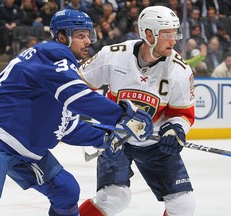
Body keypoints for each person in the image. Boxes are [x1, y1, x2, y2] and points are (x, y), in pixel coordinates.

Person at [0, 9, 153, 216]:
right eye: (81, 35)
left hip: (25, 148)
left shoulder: (60, 72)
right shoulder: (53, 53)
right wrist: (122, 115)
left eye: (89, 35)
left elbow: (67, 126)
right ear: (62, 37)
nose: (88, 41)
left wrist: (106, 137)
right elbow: (78, 96)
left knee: (66, 191)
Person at [78, 5, 196, 216]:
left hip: (155, 144)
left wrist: (175, 130)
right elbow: (78, 87)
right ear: (148, 34)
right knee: (114, 199)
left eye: (175, 33)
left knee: (183, 205)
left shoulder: (179, 70)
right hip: (118, 138)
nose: (174, 40)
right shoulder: (113, 55)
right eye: (167, 34)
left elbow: (183, 114)